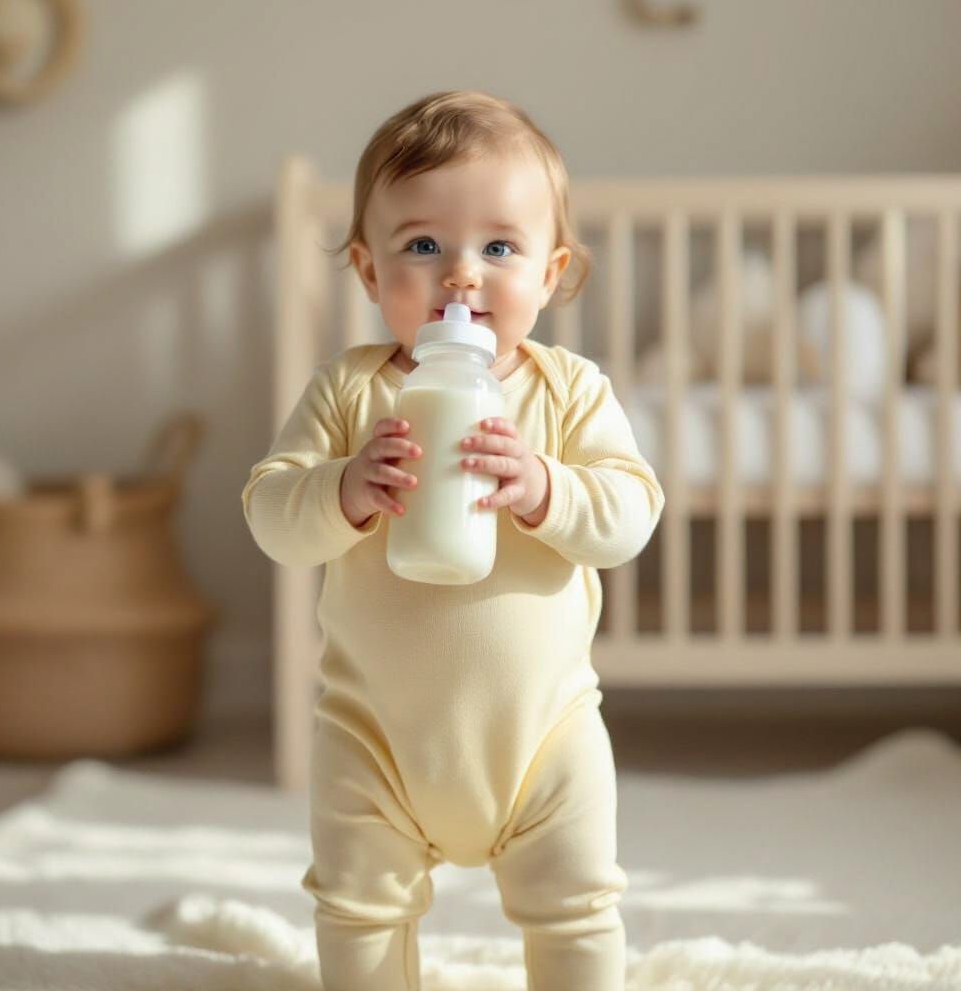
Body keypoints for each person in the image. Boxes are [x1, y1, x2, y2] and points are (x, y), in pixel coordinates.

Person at [242, 89, 665, 991]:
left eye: (499, 248)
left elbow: (630, 514)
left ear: (551, 274)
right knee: (356, 908)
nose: (461, 275)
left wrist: (546, 486)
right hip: (375, 737)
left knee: (579, 904)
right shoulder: (349, 392)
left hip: (541, 735)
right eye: (423, 245)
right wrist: (345, 488)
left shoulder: (570, 391)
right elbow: (271, 513)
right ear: (367, 268)